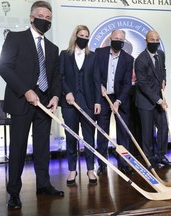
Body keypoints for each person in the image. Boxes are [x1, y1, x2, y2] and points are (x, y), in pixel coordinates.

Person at [0, 1, 64, 210]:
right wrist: (25, 90)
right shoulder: (16, 38)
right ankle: (14, 193)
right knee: (17, 149)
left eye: (49, 18)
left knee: (43, 148)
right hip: (21, 102)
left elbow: (55, 77)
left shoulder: (53, 49)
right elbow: (4, 67)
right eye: (41, 16)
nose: (45, 20)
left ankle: (43, 185)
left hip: (44, 105)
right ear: (31, 17)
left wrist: (55, 97)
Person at [60, 25, 101, 186]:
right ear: (75, 36)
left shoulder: (93, 56)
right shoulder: (64, 55)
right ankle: (72, 169)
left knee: (89, 137)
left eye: (86, 35)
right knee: (71, 137)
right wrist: (67, 93)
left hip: (88, 102)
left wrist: (98, 101)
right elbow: (60, 77)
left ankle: (90, 169)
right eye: (81, 35)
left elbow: (97, 80)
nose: (84, 38)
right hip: (69, 103)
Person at [96, 29, 134, 175]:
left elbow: (127, 84)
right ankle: (102, 164)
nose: (118, 40)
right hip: (103, 98)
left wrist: (118, 101)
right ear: (110, 38)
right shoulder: (100, 53)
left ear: (124, 41)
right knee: (102, 132)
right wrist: (100, 86)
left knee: (123, 133)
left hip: (120, 100)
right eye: (116, 38)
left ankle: (124, 163)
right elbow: (95, 74)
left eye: (121, 39)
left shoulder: (128, 59)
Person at [134, 30, 171, 168]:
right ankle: (149, 159)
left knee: (163, 127)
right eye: (152, 39)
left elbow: (163, 69)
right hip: (146, 101)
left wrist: (164, 81)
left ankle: (161, 156)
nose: (155, 42)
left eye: (157, 39)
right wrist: (159, 100)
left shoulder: (161, 54)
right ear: (146, 41)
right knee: (147, 131)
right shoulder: (140, 60)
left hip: (158, 97)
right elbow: (143, 85)